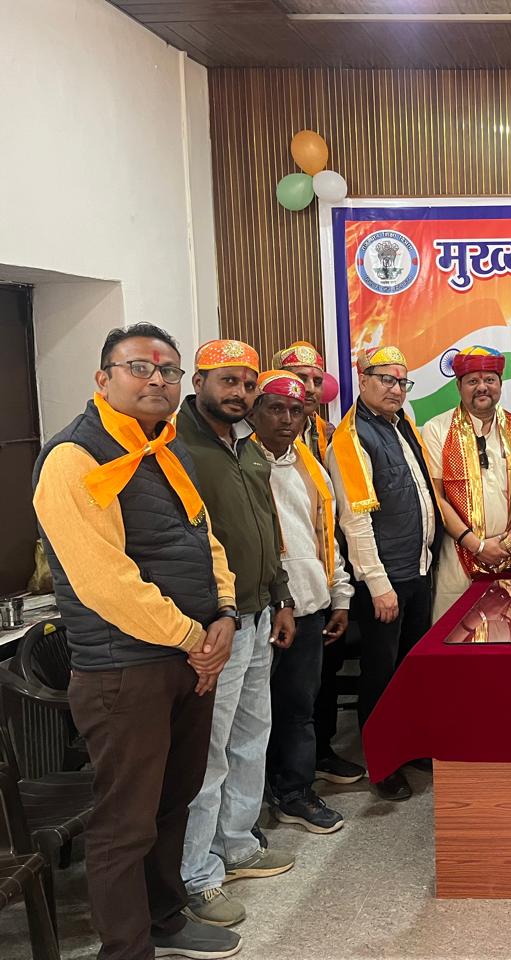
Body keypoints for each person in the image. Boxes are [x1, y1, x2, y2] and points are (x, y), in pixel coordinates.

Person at [32, 324, 242, 960]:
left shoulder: (164, 450)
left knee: (174, 802)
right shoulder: (74, 457)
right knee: (125, 821)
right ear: (103, 379)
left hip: (188, 659)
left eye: (169, 371)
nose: (158, 380)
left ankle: (165, 920)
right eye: (140, 368)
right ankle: (126, 949)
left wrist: (225, 613)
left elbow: (205, 541)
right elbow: (104, 580)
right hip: (125, 669)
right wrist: (193, 637)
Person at [177, 340, 297, 928]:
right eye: (228, 381)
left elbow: (266, 527)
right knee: (208, 753)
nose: (240, 393)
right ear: (198, 381)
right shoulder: (176, 447)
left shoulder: (247, 447)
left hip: (257, 614)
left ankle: (238, 845)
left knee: (251, 737)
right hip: (212, 626)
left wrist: (281, 596)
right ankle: (196, 875)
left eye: (249, 384)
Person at [327, 344, 442, 802]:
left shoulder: (401, 423)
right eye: (386, 380)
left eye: (402, 381)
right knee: (380, 674)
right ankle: (382, 762)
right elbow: (355, 520)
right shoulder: (352, 437)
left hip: (417, 569)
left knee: (409, 669)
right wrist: (377, 585)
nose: (396, 389)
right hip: (386, 581)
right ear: (363, 380)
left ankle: (409, 746)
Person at [248, 370, 354, 835]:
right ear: (254, 411)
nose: (288, 419)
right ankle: (247, 813)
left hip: (309, 607)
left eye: (296, 410)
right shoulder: (241, 462)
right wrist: (281, 602)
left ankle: (294, 793)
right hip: (262, 611)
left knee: (298, 710)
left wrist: (340, 596)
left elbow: (324, 538)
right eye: (276, 408)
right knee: (251, 720)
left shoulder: (309, 466)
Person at [272, 340, 365, 787]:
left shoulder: (329, 435)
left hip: (329, 572)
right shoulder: (262, 444)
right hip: (285, 590)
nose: (308, 389)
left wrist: (339, 589)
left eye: (315, 380)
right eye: (299, 379)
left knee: (322, 676)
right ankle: (288, 779)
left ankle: (321, 753)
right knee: (288, 695)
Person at [423, 345, 511, 618]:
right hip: (458, 555)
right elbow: (436, 497)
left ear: (500, 384)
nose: (482, 387)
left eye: (489, 380)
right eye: (473, 381)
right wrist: (477, 546)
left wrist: (509, 543)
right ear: (459, 385)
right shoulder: (437, 429)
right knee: (456, 633)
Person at [272, 340, 332, 459]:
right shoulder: (265, 432)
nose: (311, 389)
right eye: (301, 379)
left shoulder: (327, 432)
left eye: (317, 382)